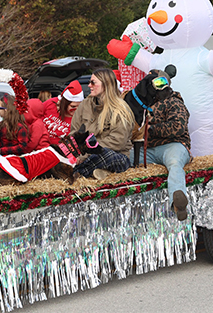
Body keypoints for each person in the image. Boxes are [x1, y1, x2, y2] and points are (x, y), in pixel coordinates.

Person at [140, 69, 191, 221]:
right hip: (148, 149)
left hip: (174, 145)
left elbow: (178, 126)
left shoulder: (174, 102)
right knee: (129, 158)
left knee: (175, 164)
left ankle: (178, 201)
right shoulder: (143, 104)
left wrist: (151, 129)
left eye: (160, 81)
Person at [70, 68, 134, 180]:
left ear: (106, 85)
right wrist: (75, 154)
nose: (89, 85)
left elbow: (117, 142)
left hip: (114, 155)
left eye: (93, 82)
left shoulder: (121, 109)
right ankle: (98, 173)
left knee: (105, 155)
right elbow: (74, 131)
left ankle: (77, 173)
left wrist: (85, 154)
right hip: (85, 154)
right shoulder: (85, 104)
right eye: (89, 82)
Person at [43, 80, 84, 145]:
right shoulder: (51, 103)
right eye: (73, 106)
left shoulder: (81, 119)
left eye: (79, 106)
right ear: (64, 104)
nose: (76, 110)